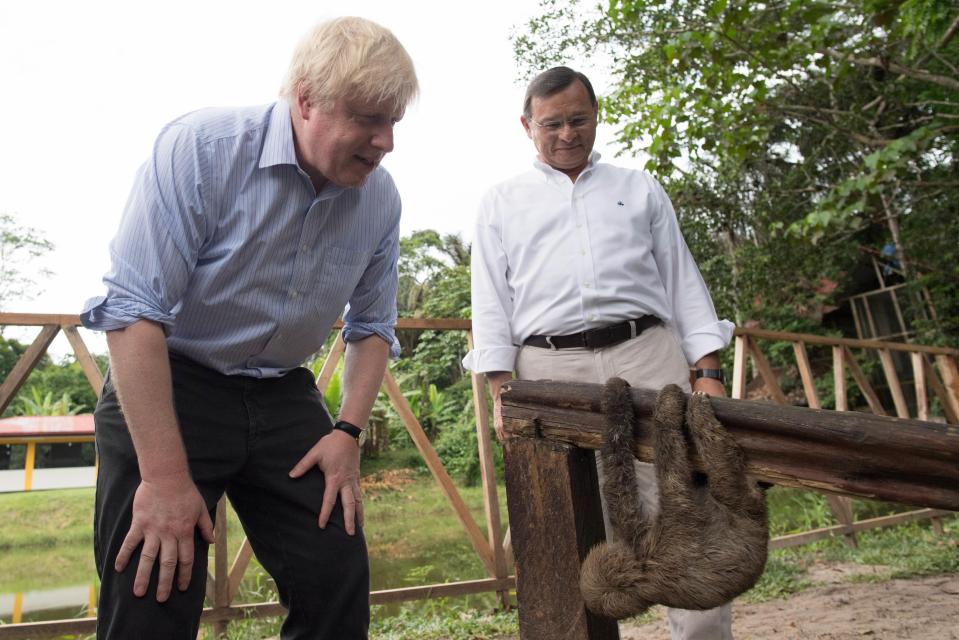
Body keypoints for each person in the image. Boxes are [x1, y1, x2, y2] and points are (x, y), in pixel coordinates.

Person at [80, 17, 417, 640]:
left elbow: (372, 325)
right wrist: (163, 478)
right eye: (369, 118)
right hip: (172, 384)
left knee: (335, 578)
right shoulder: (202, 149)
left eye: (393, 121)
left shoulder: (379, 198)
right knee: (154, 587)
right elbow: (132, 314)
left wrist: (347, 431)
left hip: (285, 394)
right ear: (306, 98)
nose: (385, 141)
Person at [463, 66, 736, 640]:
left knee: (682, 504)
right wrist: (500, 393)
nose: (567, 134)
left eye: (578, 119)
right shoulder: (500, 202)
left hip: (647, 356)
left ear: (596, 115)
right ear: (527, 126)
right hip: (549, 371)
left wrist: (707, 370)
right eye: (553, 123)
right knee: (563, 520)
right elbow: (490, 302)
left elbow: (683, 280)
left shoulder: (639, 188)